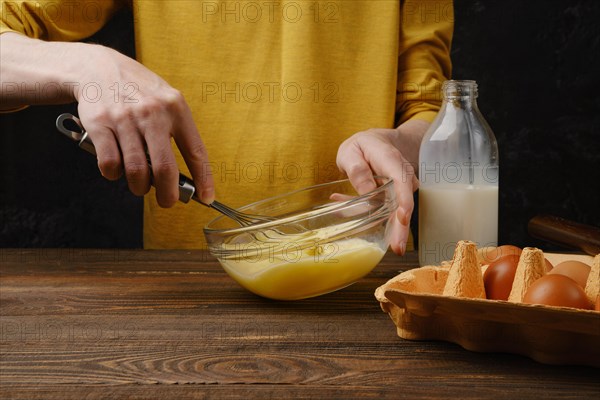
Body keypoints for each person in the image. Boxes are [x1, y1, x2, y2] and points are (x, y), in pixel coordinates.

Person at [0, 0, 453, 254]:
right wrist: (85, 63)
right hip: (190, 288)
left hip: (368, 281)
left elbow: (426, 112)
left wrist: (396, 142)